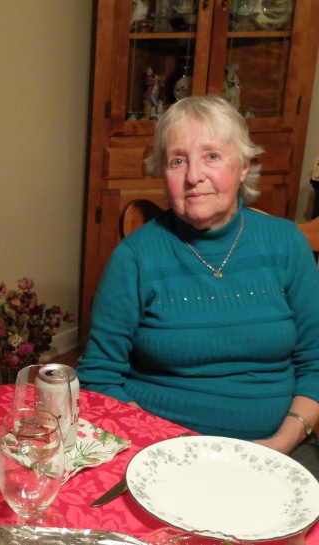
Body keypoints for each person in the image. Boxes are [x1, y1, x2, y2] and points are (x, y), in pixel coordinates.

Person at [78, 94, 319, 478]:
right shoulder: (135, 257)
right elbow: (100, 376)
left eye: (212, 156)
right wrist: (161, 448)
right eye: (177, 161)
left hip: (277, 448)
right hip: (160, 451)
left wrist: (282, 443)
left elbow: (315, 363)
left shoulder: (287, 244)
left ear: (244, 166)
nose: (193, 176)